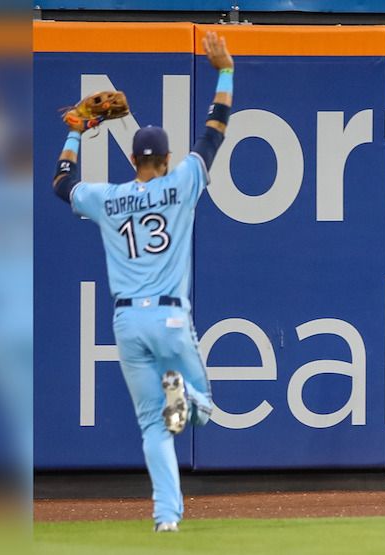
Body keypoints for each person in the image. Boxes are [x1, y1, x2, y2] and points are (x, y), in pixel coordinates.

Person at [51, 32, 234, 531]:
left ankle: (167, 520)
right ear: (166, 159)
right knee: (203, 411)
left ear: (133, 161)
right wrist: (225, 71)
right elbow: (214, 131)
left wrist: (76, 130)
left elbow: (62, 183)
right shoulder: (183, 182)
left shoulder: (109, 199)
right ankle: (188, 394)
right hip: (171, 316)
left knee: (156, 425)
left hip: (128, 321)